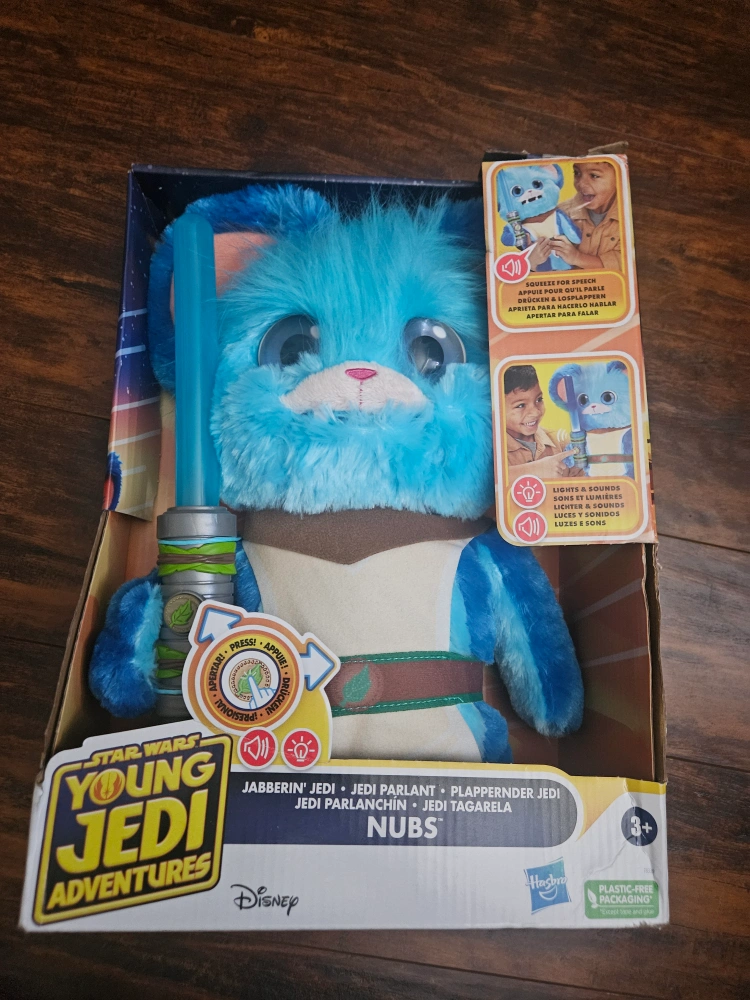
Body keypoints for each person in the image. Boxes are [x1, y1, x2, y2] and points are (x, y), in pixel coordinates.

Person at [504, 365, 583, 479]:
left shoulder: (560, 442)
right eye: (521, 405)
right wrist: (533, 471)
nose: (536, 412)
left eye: (539, 399)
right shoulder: (493, 449)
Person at [541, 160, 622, 271]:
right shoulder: (562, 213)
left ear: (619, 177)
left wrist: (577, 257)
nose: (581, 184)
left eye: (594, 176)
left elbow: (624, 261)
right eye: (577, 173)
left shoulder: (627, 216)